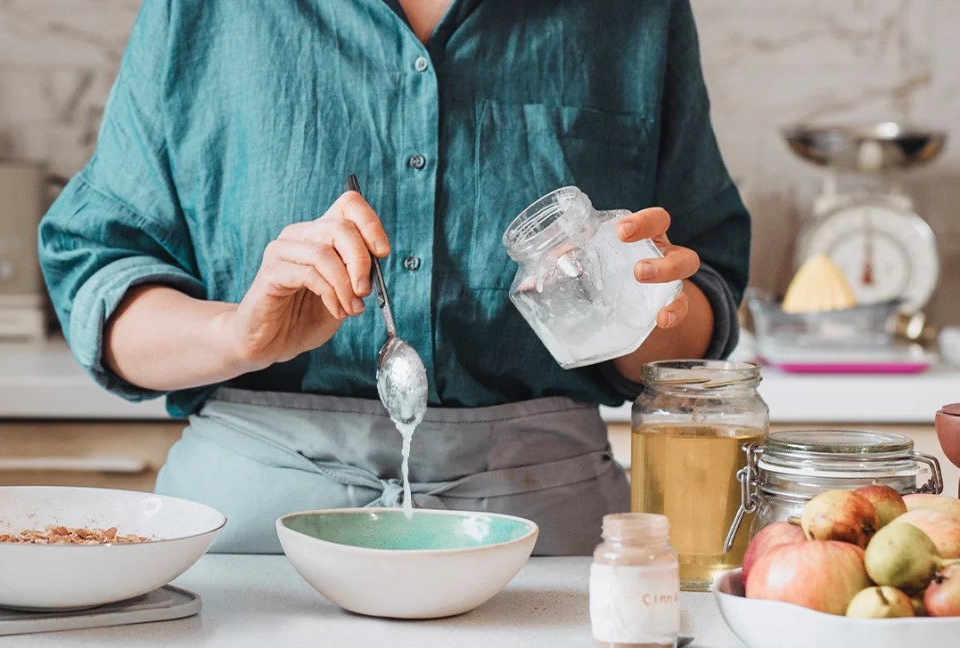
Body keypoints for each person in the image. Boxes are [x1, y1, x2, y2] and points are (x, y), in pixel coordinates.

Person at [38, 0, 750, 555]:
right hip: (248, 533)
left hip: (542, 529)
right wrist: (238, 333)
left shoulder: (635, 14)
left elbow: (694, 313)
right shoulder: (203, 12)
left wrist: (645, 308)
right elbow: (102, 278)